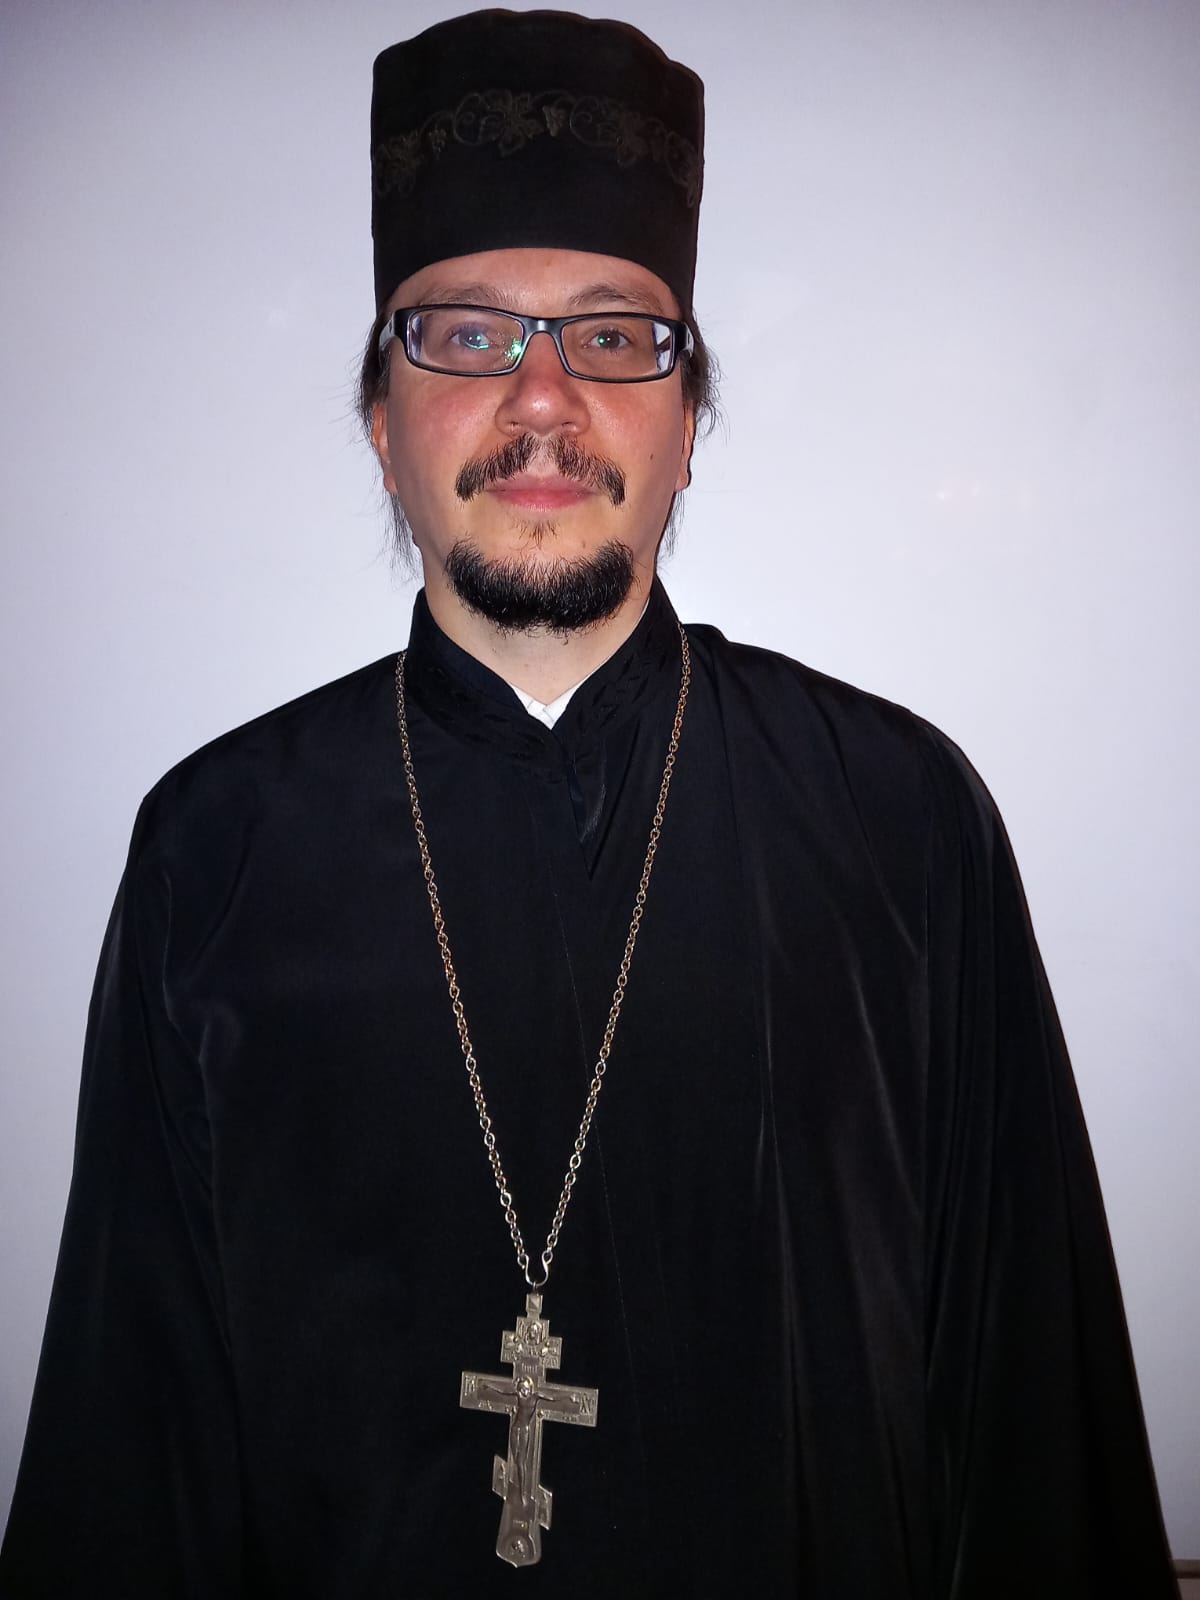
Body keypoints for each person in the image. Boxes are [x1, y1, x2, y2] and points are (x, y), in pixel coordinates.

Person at [0, 10, 1178, 1598]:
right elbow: (130, 1449)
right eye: (466, 333)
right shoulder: (215, 850)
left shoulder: (903, 823)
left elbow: (1034, 1414)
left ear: (687, 427)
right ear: (382, 425)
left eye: (616, 338)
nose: (543, 396)